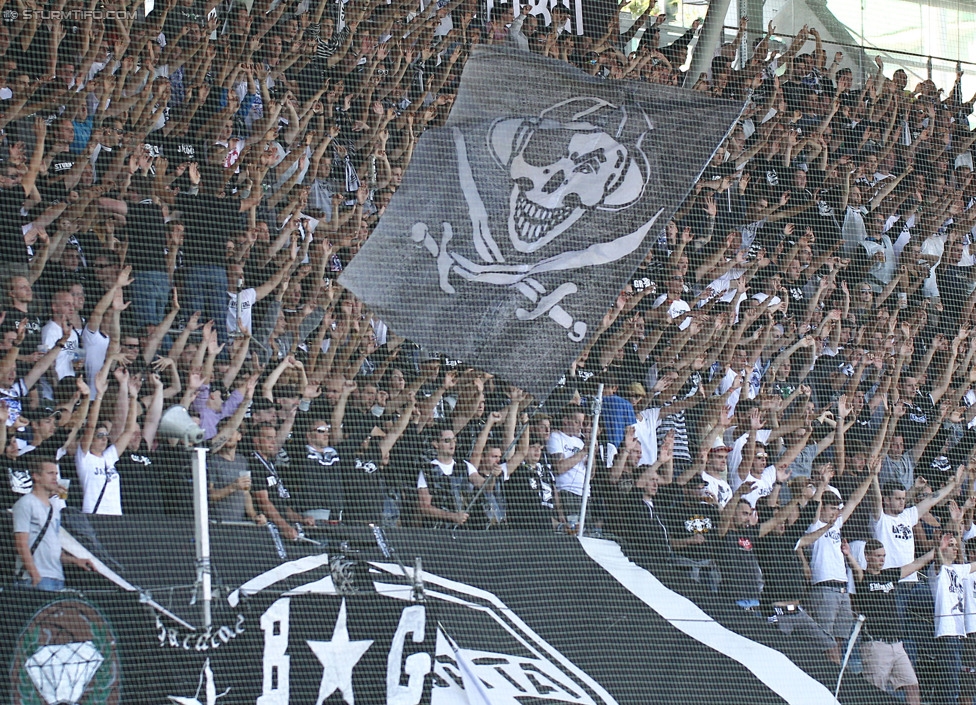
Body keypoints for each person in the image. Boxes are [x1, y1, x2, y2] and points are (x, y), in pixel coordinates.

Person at [851, 538, 937, 705]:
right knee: (874, 692)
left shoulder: (890, 574)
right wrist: (848, 554)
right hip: (875, 645)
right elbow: (855, 568)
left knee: (912, 684)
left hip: (897, 646)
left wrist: (934, 552)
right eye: (877, 556)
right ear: (867, 557)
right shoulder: (863, 577)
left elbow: (917, 564)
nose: (881, 559)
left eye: (883, 556)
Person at [13, 457, 94, 591]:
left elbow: (53, 549)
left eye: (56, 474)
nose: (55, 478)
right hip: (35, 577)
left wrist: (75, 560)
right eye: (50, 473)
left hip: (56, 576)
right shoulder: (26, 503)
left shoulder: (54, 509)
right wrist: (34, 574)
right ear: (36, 476)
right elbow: (21, 543)